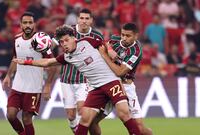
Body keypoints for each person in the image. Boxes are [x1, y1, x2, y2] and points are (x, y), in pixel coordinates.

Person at [13, 25, 141, 135]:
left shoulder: (87, 41)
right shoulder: (67, 57)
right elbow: (47, 62)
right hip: (96, 88)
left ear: (74, 38)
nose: (64, 44)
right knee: (85, 120)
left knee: (123, 113)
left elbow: (105, 43)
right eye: (62, 42)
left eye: (66, 40)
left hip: (111, 81)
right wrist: (26, 62)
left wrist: (111, 50)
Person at [90, 23, 153, 135]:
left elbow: (120, 72)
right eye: (122, 34)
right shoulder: (115, 40)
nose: (124, 38)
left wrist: (104, 55)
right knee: (92, 121)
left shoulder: (136, 52)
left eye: (128, 36)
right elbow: (102, 42)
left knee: (140, 129)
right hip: (109, 84)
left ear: (136, 36)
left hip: (126, 86)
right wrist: (109, 49)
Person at [2, 12, 55, 135]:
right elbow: (15, 58)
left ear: (34, 24)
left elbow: (52, 64)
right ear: (20, 25)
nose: (28, 25)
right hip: (18, 85)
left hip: (33, 87)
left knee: (26, 118)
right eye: (25, 23)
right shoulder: (16, 39)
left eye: (30, 22)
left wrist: (47, 85)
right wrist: (8, 76)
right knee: (10, 115)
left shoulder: (41, 41)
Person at [58, 8, 104, 133]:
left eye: (87, 18)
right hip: (66, 79)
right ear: (78, 19)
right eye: (81, 18)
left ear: (91, 20)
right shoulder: (68, 31)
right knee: (71, 116)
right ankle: (76, 129)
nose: (84, 21)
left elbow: (102, 55)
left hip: (85, 80)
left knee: (82, 111)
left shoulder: (97, 36)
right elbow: (52, 44)